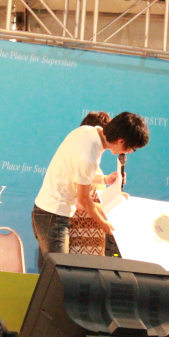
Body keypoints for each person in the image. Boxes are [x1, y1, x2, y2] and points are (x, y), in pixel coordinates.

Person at [32, 112, 149, 270]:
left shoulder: (87, 131)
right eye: (132, 148)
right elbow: (83, 199)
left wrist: (104, 179)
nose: (129, 152)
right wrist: (103, 223)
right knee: (57, 275)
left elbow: (74, 171)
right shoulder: (88, 156)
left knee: (48, 275)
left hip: (46, 212)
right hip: (54, 216)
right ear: (121, 141)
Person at [69, 111, 117, 256]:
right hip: (77, 236)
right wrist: (101, 208)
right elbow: (72, 200)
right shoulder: (80, 160)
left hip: (96, 239)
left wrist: (116, 196)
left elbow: (97, 196)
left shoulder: (96, 166)